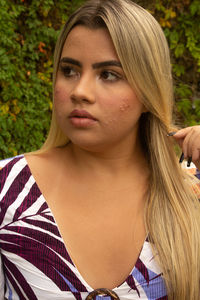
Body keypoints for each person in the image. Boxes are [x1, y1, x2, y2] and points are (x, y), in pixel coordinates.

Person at [0, 0, 199, 299]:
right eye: (69, 70)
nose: (80, 91)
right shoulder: (7, 192)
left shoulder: (189, 199)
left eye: (108, 74)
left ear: (148, 92)